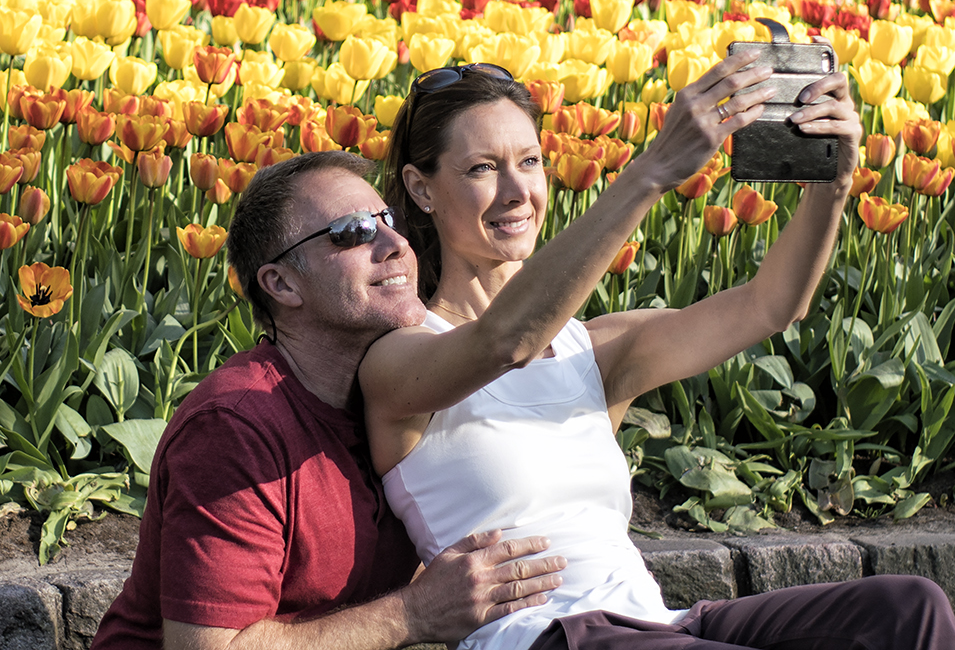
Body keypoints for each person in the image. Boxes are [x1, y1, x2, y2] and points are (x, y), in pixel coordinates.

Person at [360, 54, 955, 650]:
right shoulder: (400, 362)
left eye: (530, 161)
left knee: (908, 609)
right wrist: (652, 171)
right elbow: (505, 343)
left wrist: (834, 180)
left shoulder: (594, 353)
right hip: (542, 636)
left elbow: (771, 306)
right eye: (483, 168)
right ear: (421, 187)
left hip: (657, 625)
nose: (518, 192)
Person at [92, 149, 569, 650]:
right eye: (354, 231)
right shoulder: (234, 427)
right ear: (281, 284)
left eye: (390, 220)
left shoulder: (398, 403)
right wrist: (415, 612)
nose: (396, 245)